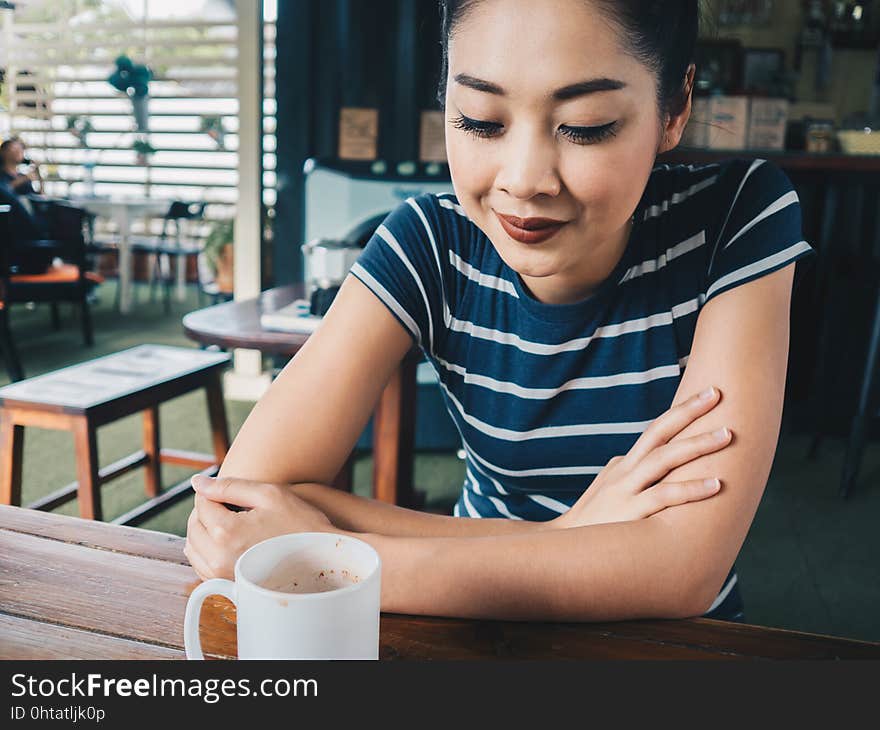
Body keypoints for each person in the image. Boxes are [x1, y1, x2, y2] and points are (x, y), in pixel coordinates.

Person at [185, 0, 814, 623]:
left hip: (667, 654)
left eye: (586, 126)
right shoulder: (428, 241)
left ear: (673, 109)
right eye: (482, 121)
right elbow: (238, 509)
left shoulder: (737, 215)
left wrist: (331, 556)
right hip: (467, 634)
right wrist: (580, 540)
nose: (524, 179)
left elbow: (680, 571)